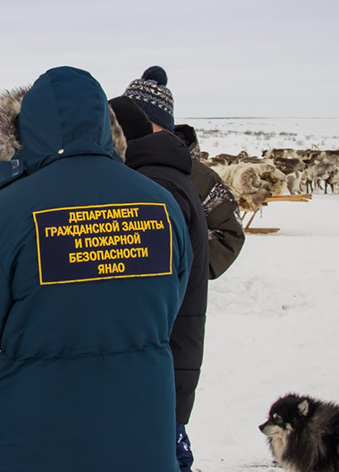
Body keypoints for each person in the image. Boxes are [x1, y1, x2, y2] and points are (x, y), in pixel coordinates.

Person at [0, 66, 192, 472]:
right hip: (142, 436)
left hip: (35, 441)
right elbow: (170, 301)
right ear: (103, 122)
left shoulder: (2, 215)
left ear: (24, 130)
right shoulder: (161, 205)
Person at [119, 65, 245, 472]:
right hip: (147, 341)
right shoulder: (121, 165)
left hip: (173, 331)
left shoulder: (197, 174)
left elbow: (229, 232)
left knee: (161, 441)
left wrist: (185, 263)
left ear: (158, 124)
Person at [111, 83, 209, 472]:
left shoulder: (153, 188)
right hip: (166, 360)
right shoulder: (164, 177)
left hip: (156, 365)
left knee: (159, 454)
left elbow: (138, 291)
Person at [174, 123, 245, 279]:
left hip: (179, 295)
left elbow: (229, 238)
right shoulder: (115, 168)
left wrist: (178, 266)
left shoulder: (200, 177)